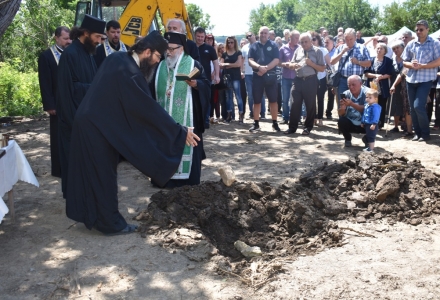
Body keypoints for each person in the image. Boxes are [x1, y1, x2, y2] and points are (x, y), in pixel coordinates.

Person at [66, 31, 199, 235]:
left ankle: (93, 216)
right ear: (147, 51)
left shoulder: (118, 59)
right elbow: (147, 110)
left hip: (90, 124)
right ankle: (110, 224)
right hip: (96, 129)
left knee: (93, 174)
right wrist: (178, 131)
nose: (157, 62)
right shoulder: (130, 73)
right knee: (103, 176)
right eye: (156, 57)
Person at [153, 31, 211, 187]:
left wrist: (196, 85)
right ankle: (165, 179)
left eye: (172, 49)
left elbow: (206, 85)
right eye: (167, 49)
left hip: (188, 120)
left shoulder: (193, 65)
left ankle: (188, 179)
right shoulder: (160, 67)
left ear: (182, 48)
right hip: (165, 120)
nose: (169, 52)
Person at [57, 14, 105, 198]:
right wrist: (95, 88)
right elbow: (67, 91)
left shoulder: (88, 52)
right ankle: (74, 196)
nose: (99, 41)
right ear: (85, 33)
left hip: (86, 118)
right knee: (73, 160)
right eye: (97, 37)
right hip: (73, 120)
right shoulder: (70, 55)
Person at [38, 26, 71, 178]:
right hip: (56, 104)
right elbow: (44, 83)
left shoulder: (71, 54)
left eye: (70, 38)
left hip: (71, 102)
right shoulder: (46, 56)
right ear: (56, 38)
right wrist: (49, 104)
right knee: (58, 136)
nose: (68, 41)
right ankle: (59, 169)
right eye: (65, 39)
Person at [402, 20, 440, 142]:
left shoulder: (434, 43)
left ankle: (425, 133)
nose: (418, 32)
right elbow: (404, 61)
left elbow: (438, 61)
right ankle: (417, 133)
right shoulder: (411, 44)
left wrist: (422, 66)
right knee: (412, 108)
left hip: (426, 79)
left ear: (428, 29)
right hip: (411, 79)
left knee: (418, 106)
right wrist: (411, 64)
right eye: (417, 29)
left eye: (421, 29)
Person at [284, 32, 325, 135]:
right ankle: (292, 128)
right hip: (298, 79)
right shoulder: (298, 50)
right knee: (294, 104)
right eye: (302, 42)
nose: (304, 44)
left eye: (306, 41)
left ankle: (308, 127)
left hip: (311, 80)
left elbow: (322, 68)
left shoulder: (317, 51)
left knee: (310, 105)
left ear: (311, 41)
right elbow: (292, 63)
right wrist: (293, 65)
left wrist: (311, 64)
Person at [248, 26, 281, 132]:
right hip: (257, 76)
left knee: (273, 100)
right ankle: (256, 123)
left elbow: (276, 60)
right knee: (257, 101)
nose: (263, 35)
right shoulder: (253, 46)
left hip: (270, 76)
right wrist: (259, 67)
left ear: (268, 34)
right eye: (261, 33)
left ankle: (275, 123)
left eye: (265, 33)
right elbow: (250, 60)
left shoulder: (274, 45)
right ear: (259, 33)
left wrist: (265, 68)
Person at [331, 28, 371, 103]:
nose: (348, 41)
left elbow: (369, 63)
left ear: (355, 37)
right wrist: (342, 52)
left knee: (357, 102)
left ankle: (354, 115)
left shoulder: (362, 48)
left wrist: (358, 62)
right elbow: (332, 62)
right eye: (346, 39)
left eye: (351, 39)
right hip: (343, 81)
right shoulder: (340, 48)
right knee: (342, 102)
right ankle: (342, 115)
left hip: (357, 82)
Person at [364, 42, 394, 129]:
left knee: (381, 105)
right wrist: (375, 76)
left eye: (381, 48)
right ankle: (369, 122)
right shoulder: (371, 60)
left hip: (383, 87)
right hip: (371, 86)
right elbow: (366, 73)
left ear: (385, 51)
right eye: (377, 48)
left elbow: (390, 74)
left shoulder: (388, 61)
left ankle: (379, 123)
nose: (379, 50)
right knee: (370, 103)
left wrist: (381, 77)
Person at [194, 27, 219, 128]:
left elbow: (216, 63)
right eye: (198, 36)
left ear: (204, 37)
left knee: (206, 100)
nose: (200, 38)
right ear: (195, 36)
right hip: (192, 78)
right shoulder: (190, 47)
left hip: (206, 79)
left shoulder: (209, 48)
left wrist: (217, 76)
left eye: (202, 37)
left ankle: (205, 121)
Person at [389, 40, 413, 136]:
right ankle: (396, 126)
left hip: (406, 84)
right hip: (395, 83)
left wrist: (394, 84)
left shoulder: (407, 59)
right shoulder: (392, 60)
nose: (396, 50)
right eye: (394, 49)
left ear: (403, 48)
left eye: (397, 48)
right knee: (396, 103)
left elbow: (403, 73)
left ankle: (408, 127)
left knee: (406, 106)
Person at [337, 75, 367, 147]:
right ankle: (347, 139)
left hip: (364, 123)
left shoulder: (368, 93)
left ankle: (367, 139)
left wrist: (352, 104)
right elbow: (341, 114)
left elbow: (368, 109)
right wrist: (342, 108)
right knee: (341, 121)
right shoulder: (346, 94)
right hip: (351, 123)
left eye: (353, 85)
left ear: (361, 83)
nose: (351, 87)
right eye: (349, 85)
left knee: (375, 121)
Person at [220, 36, 244, 123]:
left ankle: (241, 115)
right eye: (228, 42)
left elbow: (238, 64)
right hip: (227, 77)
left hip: (236, 77)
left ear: (235, 43)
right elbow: (220, 65)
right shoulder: (224, 53)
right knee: (228, 97)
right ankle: (229, 115)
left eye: (231, 42)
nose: (230, 44)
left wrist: (227, 64)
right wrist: (232, 64)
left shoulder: (238, 52)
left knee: (238, 96)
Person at [242, 32, 266, 119]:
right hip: (248, 74)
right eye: (247, 36)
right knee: (250, 95)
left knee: (260, 94)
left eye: (250, 35)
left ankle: (262, 113)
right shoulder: (244, 47)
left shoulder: (260, 45)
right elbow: (243, 60)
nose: (248, 37)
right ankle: (253, 112)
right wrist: (242, 71)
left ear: (254, 35)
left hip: (258, 73)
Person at [279, 30, 300, 124]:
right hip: (286, 77)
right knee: (285, 99)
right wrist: (285, 64)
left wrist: (296, 65)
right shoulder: (283, 48)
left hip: (297, 77)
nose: (297, 40)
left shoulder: (300, 48)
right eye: (296, 38)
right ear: (290, 37)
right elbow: (278, 62)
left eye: (298, 38)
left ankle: (297, 118)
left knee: (297, 99)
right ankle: (285, 117)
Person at [311, 31, 330, 127]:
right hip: (311, 77)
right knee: (312, 99)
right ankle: (313, 117)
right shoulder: (308, 50)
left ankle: (320, 118)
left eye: (314, 39)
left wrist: (323, 67)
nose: (312, 41)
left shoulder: (323, 50)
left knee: (320, 98)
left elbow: (329, 62)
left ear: (318, 40)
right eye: (311, 39)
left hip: (321, 77)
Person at [324, 35, 336, 119]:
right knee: (319, 94)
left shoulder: (336, 52)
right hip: (322, 74)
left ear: (332, 43)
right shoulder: (322, 51)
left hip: (332, 74)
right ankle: (318, 112)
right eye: (325, 42)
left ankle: (329, 112)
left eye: (327, 42)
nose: (326, 44)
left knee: (331, 94)